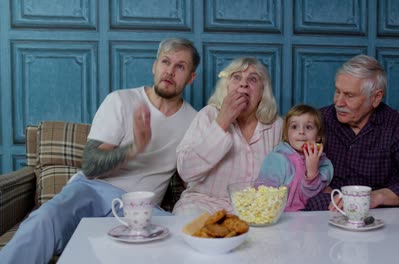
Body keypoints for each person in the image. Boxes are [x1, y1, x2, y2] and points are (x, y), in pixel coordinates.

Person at [0, 37, 200, 264]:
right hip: (91, 190)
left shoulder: (194, 121)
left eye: (180, 66)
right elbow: (91, 165)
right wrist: (133, 148)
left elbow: (195, 175)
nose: (170, 71)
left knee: (178, 238)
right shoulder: (121, 101)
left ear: (191, 77)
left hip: (139, 208)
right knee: (44, 219)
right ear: (155, 66)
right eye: (165, 62)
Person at [304, 54, 399, 212]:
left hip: (383, 208)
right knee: (312, 203)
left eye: (349, 95)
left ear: (376, 97)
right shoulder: (318, 121)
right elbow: (291, 164)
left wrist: (378, 197)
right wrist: (319, 185)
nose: (338, 102)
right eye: (337, 92)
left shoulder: (397, 126)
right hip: (333, 203)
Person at [172, 57, 283, 216]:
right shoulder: (208, 115)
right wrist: (222, 121)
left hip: (255, 208)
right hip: (203, 203)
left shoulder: (276, 125)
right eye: (236, 77)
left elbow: (289, 172)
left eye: (253, 79)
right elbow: (186, 170)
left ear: (262, 91)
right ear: (227, 86)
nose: (243, 84)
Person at [258, 104, 333, 212]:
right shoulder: (277, 159)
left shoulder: (323, 163)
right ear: (286, 135)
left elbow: (311, 196)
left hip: (310, 218)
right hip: (280, 217)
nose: (301, 131)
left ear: (318, 136)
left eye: (308, 127)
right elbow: (263, 192)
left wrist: (312, 172)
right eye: (294, 127)